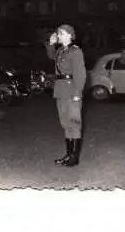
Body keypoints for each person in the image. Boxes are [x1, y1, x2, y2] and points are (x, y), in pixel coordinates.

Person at [46, 24, 87, 167]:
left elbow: (80, 74)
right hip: (61, 90)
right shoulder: (60, 51)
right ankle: (68, 155)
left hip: (71, 90)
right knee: (65, 124)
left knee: (74, 124)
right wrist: (51, 43)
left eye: (62, 33)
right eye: (58, 33)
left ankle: (74, 158)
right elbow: (52, 55)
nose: (59, 36)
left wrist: (77, 93)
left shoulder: (76, 52)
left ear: (70, 35)